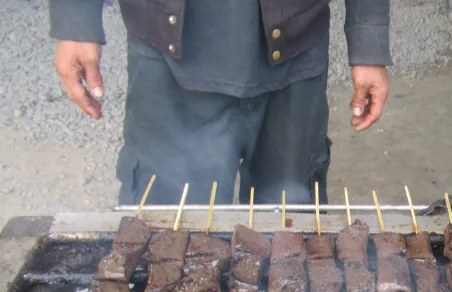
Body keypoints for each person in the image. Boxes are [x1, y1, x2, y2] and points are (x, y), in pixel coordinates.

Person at [49, 0, 391, 206]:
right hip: (167, 52)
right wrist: (75, 18)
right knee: (169, 240)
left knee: (289, 239)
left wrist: (368, 38)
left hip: (297, 47)